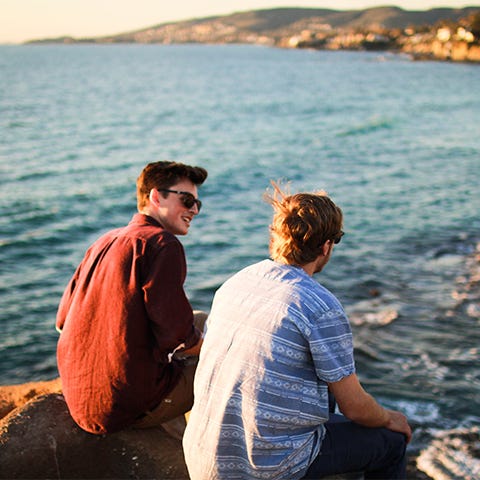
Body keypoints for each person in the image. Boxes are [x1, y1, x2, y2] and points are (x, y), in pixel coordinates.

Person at [183, 182, 412, 479]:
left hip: (203, 458)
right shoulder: (320, 305)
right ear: (326, 246)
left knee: (324, 389)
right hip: (260, 469)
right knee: (391, 443)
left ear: (274, 235)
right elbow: (355, 408)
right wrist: (389, 418)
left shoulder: (236, 282)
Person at [56, 160, 208, 435]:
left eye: (198, 204)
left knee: (202, 319)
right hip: (122, 406)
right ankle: (205, 450)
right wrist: (214, 350)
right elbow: (177, 335)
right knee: (225, 360)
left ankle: (172, 431)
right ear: (155, 196)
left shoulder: (104, 241)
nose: (194, 210)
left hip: (79, 401)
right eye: (187, 200)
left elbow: (62, 322)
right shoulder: (163, 245)